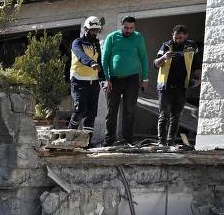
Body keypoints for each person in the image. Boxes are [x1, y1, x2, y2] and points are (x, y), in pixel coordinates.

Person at [99, 14, 149, 145]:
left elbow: (143, 58)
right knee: (111, 112)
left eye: (131, 28)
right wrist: (106, 78)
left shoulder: (138, 37)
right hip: (113, 80)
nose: (128, 30)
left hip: (132, 79)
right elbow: (104, 59)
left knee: (129, 111)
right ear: (121, 26)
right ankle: (109, 140)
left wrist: (145, 79)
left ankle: (128, 140)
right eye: (126, 27)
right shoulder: (112, 37)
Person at [155, 26, 199, 147]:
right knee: (164, 115)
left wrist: (199, 80)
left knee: (176, 116)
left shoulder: (191, 47)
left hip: (181, 87)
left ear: (186, 36)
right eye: (175, 37)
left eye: (180, 38)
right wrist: (164, 57)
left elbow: (196, 65)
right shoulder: (166, 45)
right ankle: (161, 142)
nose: (177, 40)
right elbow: (156, 64)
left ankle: (170, 142)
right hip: (165, 87)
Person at [68, 15, 102, 130]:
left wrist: (104, 80)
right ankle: (70, 135)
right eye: (92, 30)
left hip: (94, 83)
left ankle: (87, 142)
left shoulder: (96, 45)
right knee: (80, 110)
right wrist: (91, 63)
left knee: (91, 114)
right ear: (86, 29)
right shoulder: (77, 42)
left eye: (96, 31)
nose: (94, 33)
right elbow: (81, 55)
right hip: (78, 81)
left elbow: (100, 62)